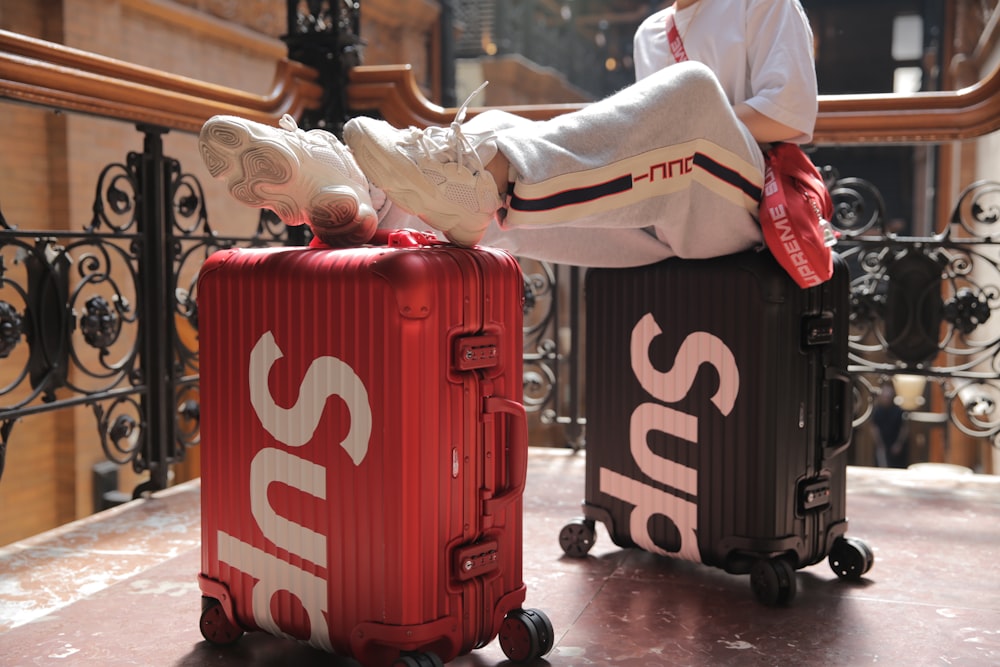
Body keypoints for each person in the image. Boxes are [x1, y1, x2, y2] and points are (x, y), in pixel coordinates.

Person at [198, 0, 819, 267]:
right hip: (664, 216)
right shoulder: (650, 33)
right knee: (496, 141)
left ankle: (473, 181)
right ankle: (362, 199)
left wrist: (680, 121)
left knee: (689, 94)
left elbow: (791, 114)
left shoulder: (763, 4)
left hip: (742, 210)